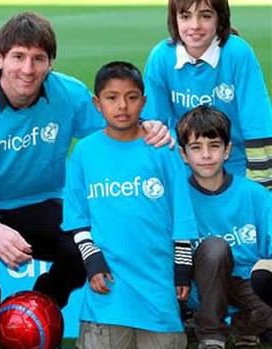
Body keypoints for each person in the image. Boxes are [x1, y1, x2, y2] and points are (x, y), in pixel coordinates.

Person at [0, 11, 171, 348]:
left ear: (50, 63)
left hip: (45, 201)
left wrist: (148, 126)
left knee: (88, 246)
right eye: (18, 57)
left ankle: (44, 301)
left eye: (39, 59)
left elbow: (115, 128)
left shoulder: (69, 94)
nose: (28, 69)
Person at [61, 61, 197, 349]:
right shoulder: (85, 152)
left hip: (157, 288)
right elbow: (76, 216)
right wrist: (92, 260)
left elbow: (182, 212)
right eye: (112, 97)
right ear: (97, 104)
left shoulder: (162, 148)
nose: (122, 105)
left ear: (143, 102)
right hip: (108, 288)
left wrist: (182, 266)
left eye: (131, 97)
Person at [142, 0, 272, 189]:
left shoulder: (238, 53)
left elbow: (256, 121)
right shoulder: (161, 56)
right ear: (174, 19)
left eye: (205, 16)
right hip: (183, 167)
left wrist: (261, 186)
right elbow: (155, 125)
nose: (195, 26)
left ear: (220, 18)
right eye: (185, 16)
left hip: (235, 165)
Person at [176, 106, 272, 349]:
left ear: (227, 150)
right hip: (200, 286)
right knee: (215, 248)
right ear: (184, 154)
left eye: (214, 145)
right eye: (196, 148)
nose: (206, 155)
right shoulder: (176, 199)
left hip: (245, 280)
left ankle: (242, 327)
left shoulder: (256, 195)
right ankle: (211, 336)